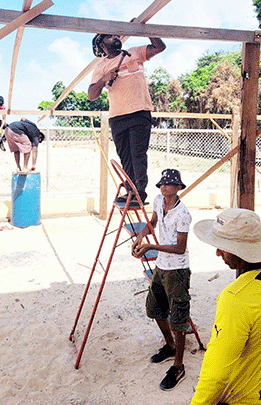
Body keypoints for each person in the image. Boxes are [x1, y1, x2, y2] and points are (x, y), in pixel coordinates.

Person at [190, 208, 261, 405]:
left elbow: (216, 374)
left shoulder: (236, 298)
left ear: (238, 250)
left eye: (222, 246)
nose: (217, 252)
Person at [132, 169, 192, 391]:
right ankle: (169, 345)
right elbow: (153, 222)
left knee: (178, 317)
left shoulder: (183, 214)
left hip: (177, 270)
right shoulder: (158, 201)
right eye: (162, 184)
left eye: (169, 184)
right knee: (154, 308)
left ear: (178, 188)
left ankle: (178, 366)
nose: (164, 188)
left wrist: (151, 246)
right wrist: (140, 237)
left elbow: (180, 248)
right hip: (161, 267)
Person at [88, 33, 165, 207]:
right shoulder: (100, 68)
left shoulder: (134, 53)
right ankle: (131, 190)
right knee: (125, 157)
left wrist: (146, 31)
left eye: (116, 35)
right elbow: (92, 95)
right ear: (101, 45)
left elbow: (159, 47)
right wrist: (104, 79)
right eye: (109, 37)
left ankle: (139, 193)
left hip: (139, 111)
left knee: (137, 154)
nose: (115, 37)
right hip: (117, 117)